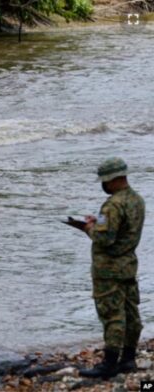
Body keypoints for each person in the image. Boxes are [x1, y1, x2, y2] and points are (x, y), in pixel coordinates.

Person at [78, 158, 145, 379]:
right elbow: (123, 230)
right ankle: (128, 359)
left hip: (108, 269)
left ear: (113, 179)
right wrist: (98, 221)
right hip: (128, 266)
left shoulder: (113, 204)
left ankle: (109, 364)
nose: (103, 185)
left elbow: (105, 238)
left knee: (112, 315)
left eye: (104, 181)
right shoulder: (136, 200)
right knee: (130, 313)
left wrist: (89, 228)